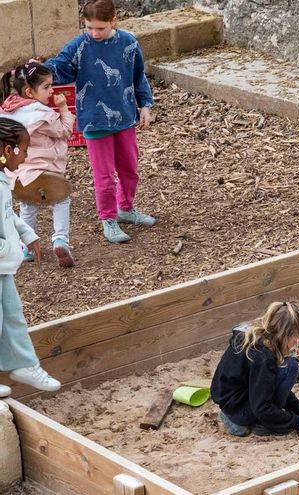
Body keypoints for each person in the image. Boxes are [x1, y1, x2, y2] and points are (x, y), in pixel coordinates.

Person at [44, 0, 156, 243]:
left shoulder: (128, 43)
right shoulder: (79, 45)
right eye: (89, 28)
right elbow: (59, 68)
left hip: (125, 118)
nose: (94, 33)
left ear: (113, 21)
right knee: (104, 178)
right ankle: (108, 219)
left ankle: (124, 209)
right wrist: (35, 71)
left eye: (100, 28)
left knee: (130, 170)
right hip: (94, 123)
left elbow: (139, 77)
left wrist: (145, 105)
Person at [0, 117, 62, 397]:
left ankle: (24, 364)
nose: (25, 156)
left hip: (4, 266)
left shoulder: (1, 179)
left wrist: (27, 234)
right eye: (22, 150)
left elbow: (7, 214)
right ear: (6, 149)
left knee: (13, 317)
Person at [0, 62, 76, 267]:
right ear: (29, 92)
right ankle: (60, 240)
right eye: (46, 87)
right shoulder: (43, 114)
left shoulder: (5, 112)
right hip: (46, 172)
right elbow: (65, 131)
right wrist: (62, 108)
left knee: (28, 204)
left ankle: (27, 247)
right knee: (61, 199)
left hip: (18, 175)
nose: (51, 91)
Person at [210, 301, 299, 437]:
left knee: (287, 364)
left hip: (238, 398)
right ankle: (259, 423)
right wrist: (297, 423)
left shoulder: (260, 336)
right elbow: (262, 406)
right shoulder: (263, 357)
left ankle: (247, 418)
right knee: (290, 367)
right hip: (237, 408)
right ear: (285, 334)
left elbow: (269, 386)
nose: (296, 346)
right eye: (296, 340)